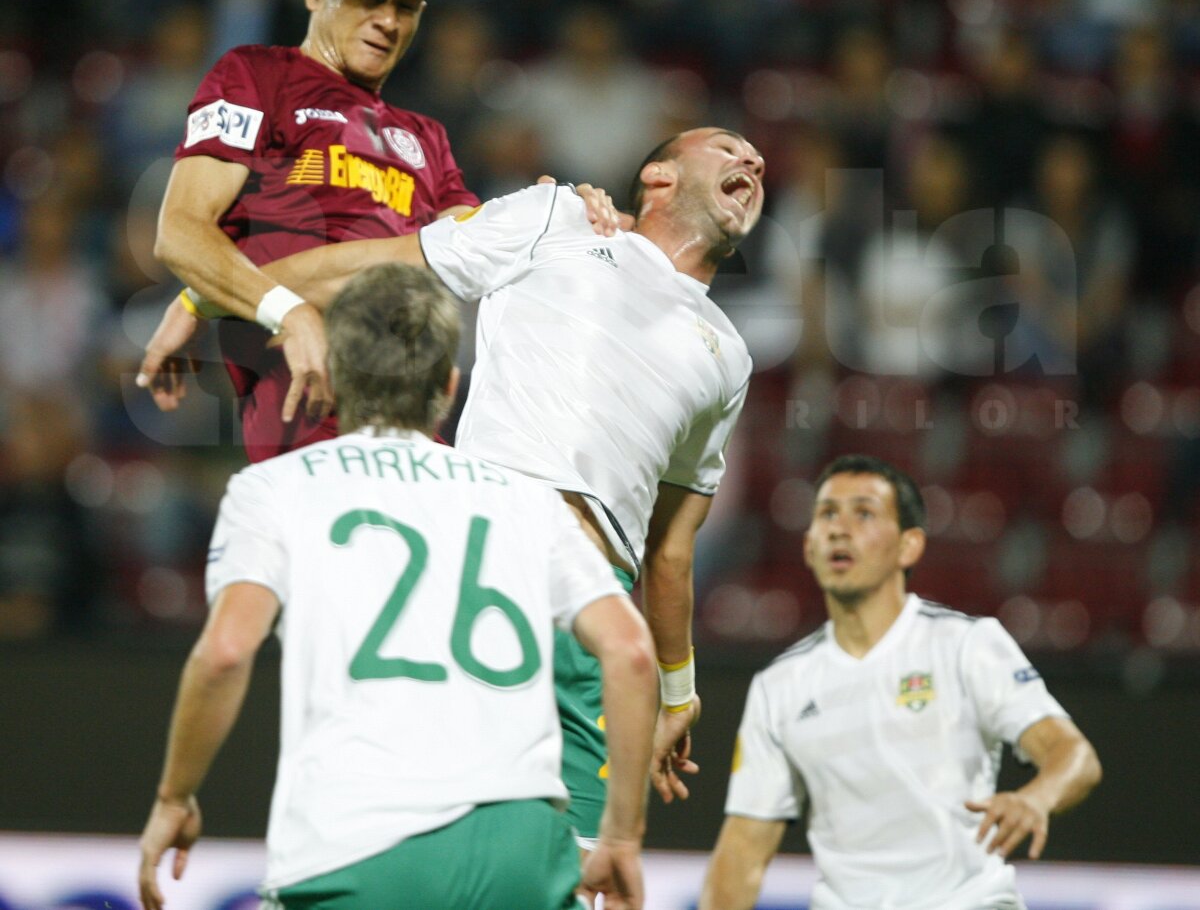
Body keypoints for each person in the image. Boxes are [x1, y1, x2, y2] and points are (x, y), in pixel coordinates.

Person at [149, 126, 765, 845]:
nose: (752, 160)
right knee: (423, 839)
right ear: (659, 177)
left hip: (594, 618)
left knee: (581, 873)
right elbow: (376, 264)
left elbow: (671, 549)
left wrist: (679, 692)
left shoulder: (729, 357)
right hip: (483, 572)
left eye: (755, 158)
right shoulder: (558, 219)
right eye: (727, 147)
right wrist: (211, 296)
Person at [137, 264, 657, 910]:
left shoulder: (274, 490)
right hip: (521, 848)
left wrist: (175, 796)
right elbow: (632, 652)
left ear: (331, 373)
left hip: (359, 840)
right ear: (449, 386)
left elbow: (225, 652)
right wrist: (622, 835)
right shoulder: (529, 502)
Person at [139, 0, 620, 461]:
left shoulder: (426, 138)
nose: (389, 21)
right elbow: (180, 233)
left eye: (407, 5)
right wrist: (285, 310)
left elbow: (471, 243)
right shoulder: (257, 76)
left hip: (418, 432)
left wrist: (565, 212)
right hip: (314, 424)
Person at [700, 454, 1103, 910]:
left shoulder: (966, 645)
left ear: (909, 545)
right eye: (827, 514)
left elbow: (1074, 756)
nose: (839, 529)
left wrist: (1036, 798)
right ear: (808, 545)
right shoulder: (779, 686)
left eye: (864, 513)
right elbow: (743, 851)